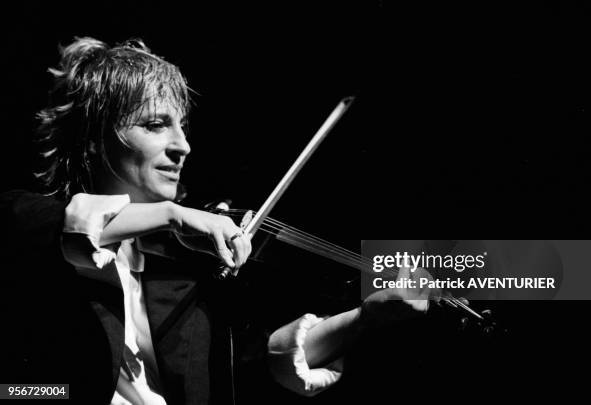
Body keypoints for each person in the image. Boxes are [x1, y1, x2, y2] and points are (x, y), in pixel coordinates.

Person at [0, 37, 433, 405]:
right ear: (94, 140)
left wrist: (363, 319)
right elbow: (20, 390)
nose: (182, 145)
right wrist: (173, 215)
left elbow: (259, 363)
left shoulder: (181, 269)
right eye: (155, 125)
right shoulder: (24, 221)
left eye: (182, 127)